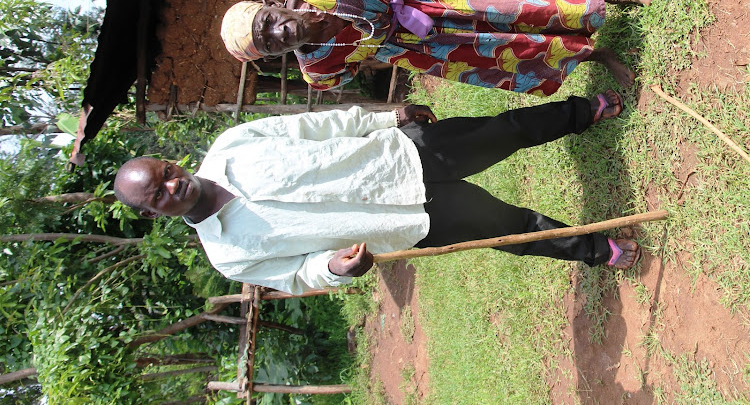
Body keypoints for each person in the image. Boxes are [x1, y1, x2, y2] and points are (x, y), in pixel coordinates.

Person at [113, 92, 640, 295]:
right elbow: (297, 275)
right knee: (507, 229)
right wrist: (334, 271)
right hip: (406, 223)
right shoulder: (229, 255)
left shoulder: (232, 145)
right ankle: (596, 248)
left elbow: (318, 128)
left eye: (164, 171)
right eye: (158, 195)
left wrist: (389, 117)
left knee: (503, 131)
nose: (172, 184)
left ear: (170, 162)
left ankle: (584, 111)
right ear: (153, 213)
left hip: (399, 155)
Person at [221, 0, 651, 95]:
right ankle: (595, 53)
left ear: (270, 5)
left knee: (511, 2)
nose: (279, 32)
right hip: (420, 48)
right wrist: (389, 43)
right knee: (510, 52)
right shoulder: (317, 71)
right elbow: (354, 68)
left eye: (269, 22)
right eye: (270, 43)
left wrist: (383, 1)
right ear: (275, 56)